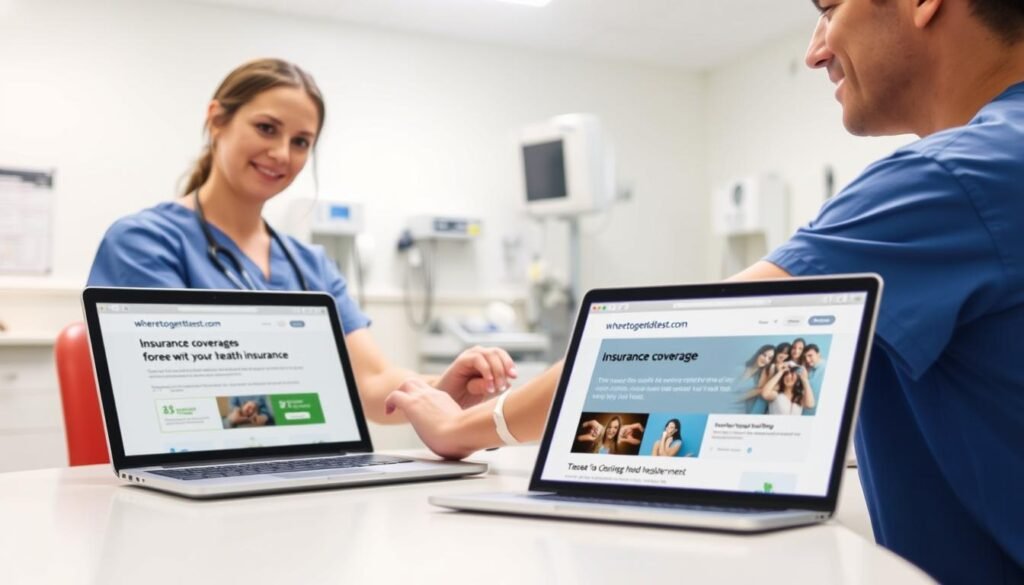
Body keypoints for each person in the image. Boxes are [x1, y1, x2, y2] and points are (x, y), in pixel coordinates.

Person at [385, 2, 1024, 581]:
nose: (815, 50)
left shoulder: (955, 175)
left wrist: (466, 427)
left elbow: (691, 338)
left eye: (829, 8)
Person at [87, 58, 516, 424]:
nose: (281, 154)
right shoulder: (145, 243)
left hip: (299, 467)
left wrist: (447, 390)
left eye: (300, 142)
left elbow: (371, 383)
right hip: (199, 474)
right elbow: (170, 394)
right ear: (217, 119)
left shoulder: (309, 264)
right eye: (266, 128)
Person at [575, 416, 643, 454]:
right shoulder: (624, 427)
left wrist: (591, 437)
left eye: (615, 428)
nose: (628, 432)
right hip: (597, 431)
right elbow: (638, 425)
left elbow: (637, 442)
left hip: (601, 442)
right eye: (630, 430)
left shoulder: (618, 439)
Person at [800, 344, 826, 416]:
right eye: (805, 357)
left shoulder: (826, 368)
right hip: (805, 413)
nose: (807, 360)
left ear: (818, 354)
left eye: (810, 355)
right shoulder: (808, 370)